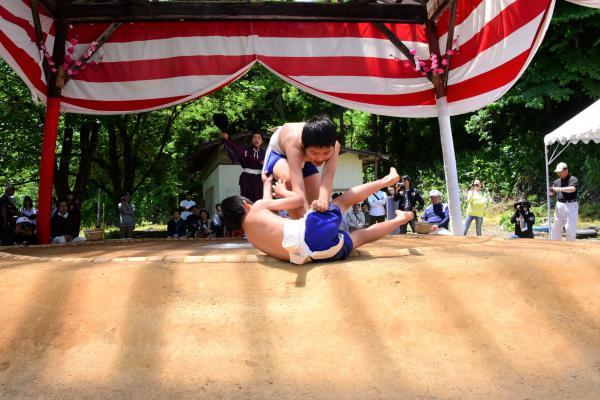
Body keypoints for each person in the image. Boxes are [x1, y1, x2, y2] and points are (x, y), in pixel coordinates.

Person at [220, 167, 413, 264]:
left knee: (360, 237)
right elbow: (296, 201)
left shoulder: (253, 239)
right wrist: (283, 192)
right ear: (246, 205)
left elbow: (265, 211)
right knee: (342, 201)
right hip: (311, 231)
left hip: (315, 255)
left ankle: (401, 218)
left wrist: (267, 184)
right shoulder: (259, 207)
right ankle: (387, 180)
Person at [262, 115, 341, 218]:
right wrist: (305, 220)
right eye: (315, 153)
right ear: (304, 146)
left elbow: (328, 175)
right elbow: (298, 188)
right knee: (288, 180)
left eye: (326, 153)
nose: (320, 158)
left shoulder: (334, 145)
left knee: (318, 202)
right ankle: (297, 224)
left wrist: (323, 199)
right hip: (279, 153)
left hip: (305, 157)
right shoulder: (294, 143)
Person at [216, 114, 266, 202]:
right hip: (246, 178)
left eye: (259, 138)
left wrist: (265, 164)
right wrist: (227, 139)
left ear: (262, 141)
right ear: (251, 140)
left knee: (259, 201)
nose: (256, 140)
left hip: (259, 179)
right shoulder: (245, 150)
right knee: (246, 201)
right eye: (254, 137)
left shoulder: (266, 153)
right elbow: (234, 148)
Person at [549, 162, 579, 241]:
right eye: (558, 172)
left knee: (570, 227)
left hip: (571, 205)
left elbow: (572, 189)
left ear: (566, 170)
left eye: (560, 172)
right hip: (559, 205)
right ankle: (555, 245)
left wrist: (559, 189)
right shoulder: (557, 181)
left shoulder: (572, 179)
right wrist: (550, 191)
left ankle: (570, 246)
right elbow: (551, 193)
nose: (558, 174)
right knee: (556, 227)